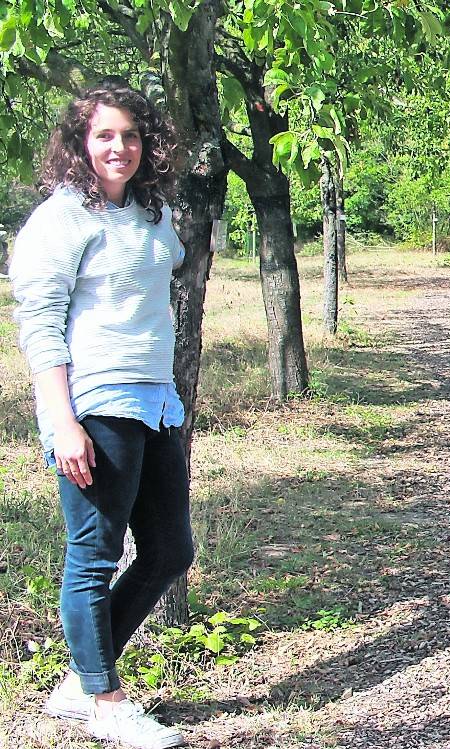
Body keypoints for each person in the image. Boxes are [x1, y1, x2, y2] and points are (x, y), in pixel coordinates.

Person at [9, 77, 193, 749]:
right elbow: (40, 326)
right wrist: (62, 422)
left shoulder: (150, 211)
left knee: (170, 550)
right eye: (105, 135)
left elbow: (168, 266)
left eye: (131, 135)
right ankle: (105, 701)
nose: (120, 147)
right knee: (94, 555)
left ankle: (80, 681)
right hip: (95, 403)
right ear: (80, 143)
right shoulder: (61, 218)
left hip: (155, 399)